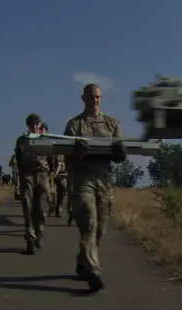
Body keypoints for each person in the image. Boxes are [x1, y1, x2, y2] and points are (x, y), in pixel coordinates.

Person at [63, 83, 127, 292]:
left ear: (102, 98)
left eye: (98, 97)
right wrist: (77, 152)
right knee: (89, 223)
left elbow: (119, 157)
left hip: (105, 180)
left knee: (100, 228)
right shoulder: (74, 125)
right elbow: (67, 158)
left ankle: (83, 260)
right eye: (91, 97)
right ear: (84, 99)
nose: (95, 100)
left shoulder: (112, 123)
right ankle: (94, 272)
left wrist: (119, 152)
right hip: (84, 179)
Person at [14, 113, 51, 254]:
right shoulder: (21, 140)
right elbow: (18, 158)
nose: (35, 127)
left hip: (42, 174)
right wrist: (19, 178)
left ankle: (39, 233)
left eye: (37, 124)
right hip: (27, 175)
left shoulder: (45, 139)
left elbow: (53, 158)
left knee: (42, 208)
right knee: (27, 207)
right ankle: (30, 240)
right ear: (28, 126)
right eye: (32, 124)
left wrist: (51, 175)